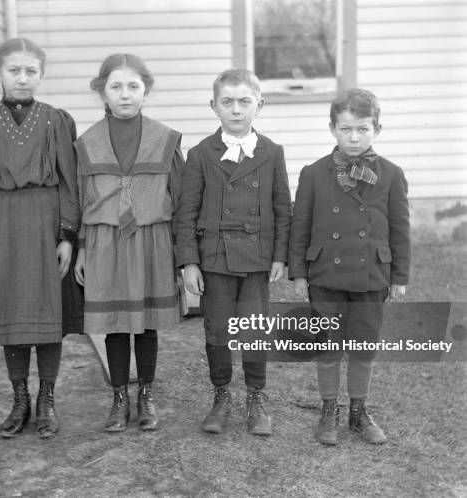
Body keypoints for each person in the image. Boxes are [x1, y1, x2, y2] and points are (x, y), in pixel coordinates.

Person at [0, 38, 79, 439]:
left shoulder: (57, 120)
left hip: (45, 222)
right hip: (0, 224)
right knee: (11, 313)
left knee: (47, 314)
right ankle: (19, 399)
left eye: (31, 71)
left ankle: (47, 400)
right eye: (14, 70)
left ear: (42, 75)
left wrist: (67, 235)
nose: (23, 78)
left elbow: (69, 183)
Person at [289, 88, 410, 445]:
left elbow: (400, 229)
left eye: (362, 129)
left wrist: (399, 277)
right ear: (332, 129)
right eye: (345, 129)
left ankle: (358, 410)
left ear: (377, 129)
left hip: (371, 275)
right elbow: (301, 227)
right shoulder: (313, 174)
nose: (354, 137)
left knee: (364, 346)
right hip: (326, 274)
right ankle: (329, 409)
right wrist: (299, 272)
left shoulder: (390, 174)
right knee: (328, 344)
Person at [175, 69, 292, 435]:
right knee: (218, 327)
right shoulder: (199, 154)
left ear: (260, 104)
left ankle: (256, 397)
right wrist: (189, 262)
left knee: (255, 327)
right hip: (215, 257)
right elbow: (186, 213)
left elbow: (281, 208)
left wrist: (279, 256)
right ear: (214, 106)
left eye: (244, 101)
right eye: (227, 102)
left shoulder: (272, 152)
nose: (236, 110)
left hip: (257, 257)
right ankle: (221, 395)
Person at [73, 54, 185, 432]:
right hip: (105, 241)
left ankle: (147, 394)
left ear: (146, 91)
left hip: (151, 240)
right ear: (102, 92)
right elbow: (80, 200)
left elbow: (182, 199)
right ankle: (120, 397)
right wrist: (83, 249)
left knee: (146, 323)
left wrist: (182, 256)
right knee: (115, 323)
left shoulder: (166, 140)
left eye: (133, 86)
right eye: (116, 87)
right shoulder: (86, 144)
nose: (125, 95)